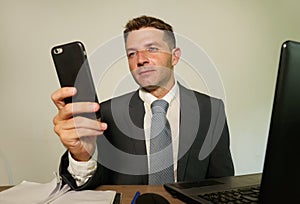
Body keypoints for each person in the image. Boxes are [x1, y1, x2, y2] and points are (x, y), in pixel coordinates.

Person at [51, 15, 234, 190]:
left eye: (152, 49)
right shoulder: (106, 114)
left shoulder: (211, 109)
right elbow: (86, 187)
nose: (140, 59)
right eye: (131, 53)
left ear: (175, 56)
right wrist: (81, 157)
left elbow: (222, 183)